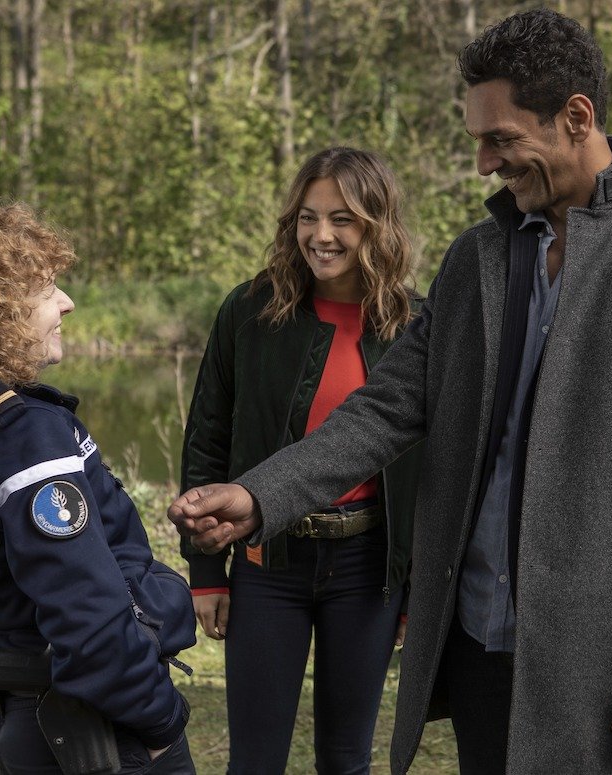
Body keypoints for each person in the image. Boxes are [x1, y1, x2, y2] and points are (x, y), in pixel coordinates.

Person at [170, 9, 612, 775]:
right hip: (482, 644)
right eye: (478, 140)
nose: (484, 163)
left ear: (576, 117)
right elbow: (384, 409)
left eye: (500, 139)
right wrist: (258, 496)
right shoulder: (477, 258)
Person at [0, 202, 196, 774]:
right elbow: (89, 618)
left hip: (20, 712)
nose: (67, 303)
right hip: (87, 723)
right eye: (48, 290)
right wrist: (161, 722)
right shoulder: (24, 437)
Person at [179, 146, 422, 774]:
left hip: (368, 567)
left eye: (342, 219)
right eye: (308, 217)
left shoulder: (413, 325)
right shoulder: (249, 312)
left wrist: (410, 584)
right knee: (254, 763)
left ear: (377, 224)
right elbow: (207, 439)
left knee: (346, 760)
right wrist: (206, 571)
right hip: (268, 562)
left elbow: (429, 473)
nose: (321, 235)